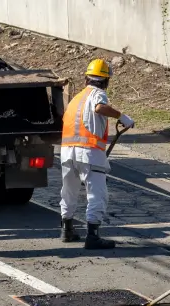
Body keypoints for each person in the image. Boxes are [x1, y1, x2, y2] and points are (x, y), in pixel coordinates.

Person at [58, 59, 135, 250]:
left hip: (67, 152)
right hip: (89, 154)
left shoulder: (76, 98)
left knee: (69, 191)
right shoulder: (98, 94)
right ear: (106, 82)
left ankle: (66, 229)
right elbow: (99, 107)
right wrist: (122, 117)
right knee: (97, 195)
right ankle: (92, 236)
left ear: (86, 79)